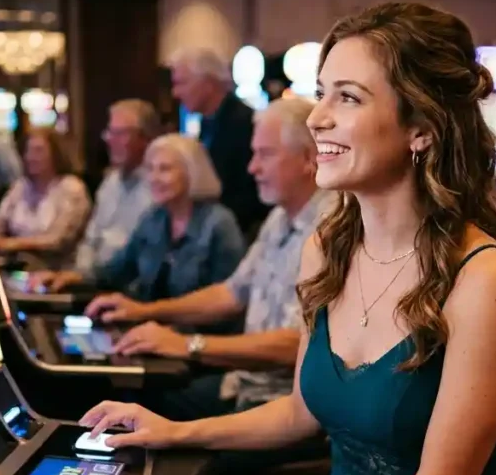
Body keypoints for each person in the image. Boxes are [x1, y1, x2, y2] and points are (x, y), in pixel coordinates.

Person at [81, 2, 496, 475]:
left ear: (420, 128)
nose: (317, 117)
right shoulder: (327, 248)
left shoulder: (485, 278)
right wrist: (172, 430)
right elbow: (300, 411)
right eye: (322, 92)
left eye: (347, 97)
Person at [84, 96, 327, 420]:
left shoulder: (332, 227)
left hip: (285, 408)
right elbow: (231, 293)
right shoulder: (278, 218)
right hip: (244, 384)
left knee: (144, 413)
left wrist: (188, 345)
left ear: (309, 158)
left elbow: (296, 344)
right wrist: (144, 312)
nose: (252, 168)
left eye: (265, 154)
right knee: (125, 398)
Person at [43, 135, 245, 318]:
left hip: (197, 337)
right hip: (148, 327)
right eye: (150, 169)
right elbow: (116, 270)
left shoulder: (219, 224)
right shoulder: (154, 218)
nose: (154, 178)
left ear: (192, 173)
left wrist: (150, 316)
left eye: (164, 169)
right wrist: (71, 277)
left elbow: (227, 303)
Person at [30, 99, 156, 292]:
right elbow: (90, 241)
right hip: (92, 284)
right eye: (110, 132)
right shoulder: (110, 183)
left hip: (128, 291)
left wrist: (83, 277)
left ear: (146, 139)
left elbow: (135, 260)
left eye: (120, 133)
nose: (110, 140)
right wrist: (76, 276)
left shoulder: (158, 186)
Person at [171, 48, 270, 237]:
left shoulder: (243, 123)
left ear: (208, 84)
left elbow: (249, 198)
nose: (175, 93)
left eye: (181, 83)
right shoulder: (208, 122)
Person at [0, 129, 91, 269]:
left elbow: (56, 240)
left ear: (55, 154)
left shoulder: (71, 188)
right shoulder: (21, 186)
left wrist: (11, 244)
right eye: (28, 151)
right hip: (18, 265)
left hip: (56, 270)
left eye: (38, 151)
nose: (31, 157)